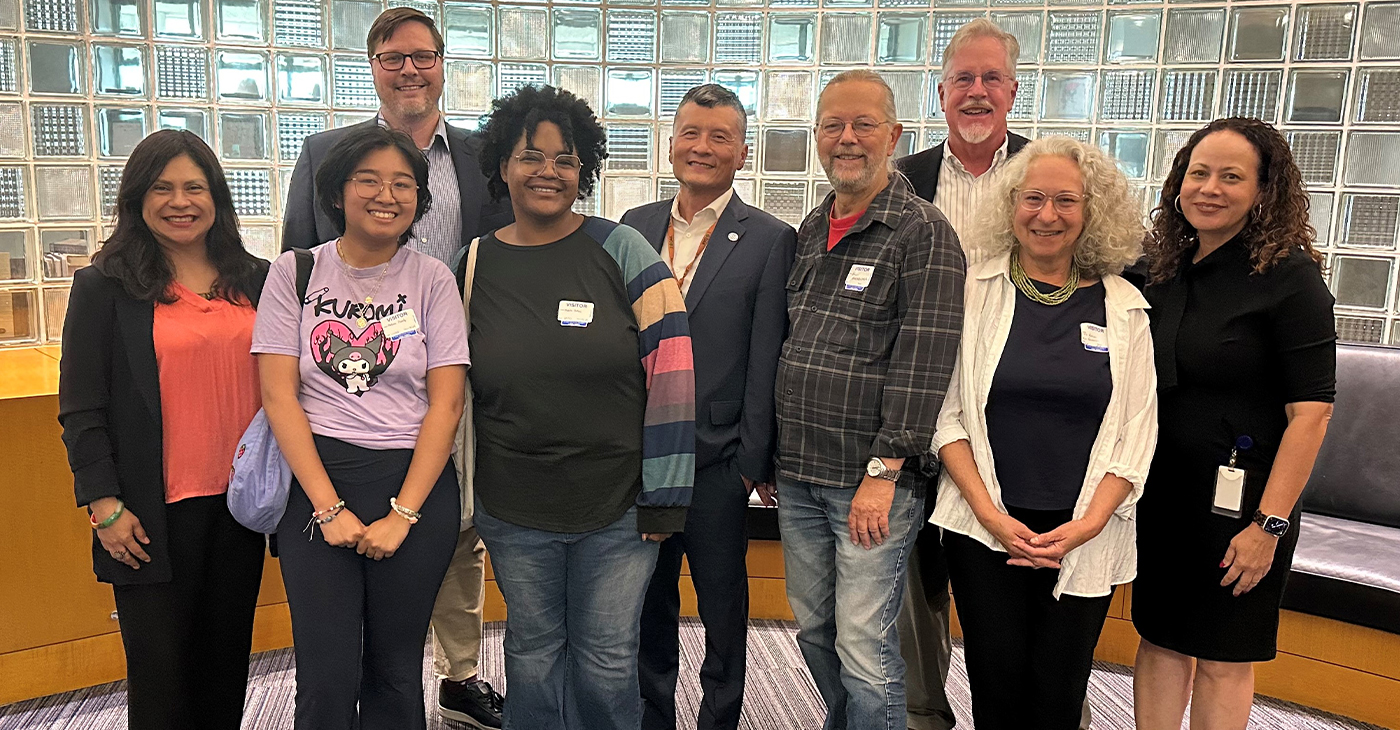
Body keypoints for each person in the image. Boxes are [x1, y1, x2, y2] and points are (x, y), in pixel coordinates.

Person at [279, 9, 507, 725]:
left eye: (423, 55)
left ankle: (461, 672)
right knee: (332, 659)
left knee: (460, 532)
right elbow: (296, 261)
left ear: (443, 63)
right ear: (371, 65)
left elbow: (503, 256)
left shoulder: (481, 155)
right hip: (345, 388)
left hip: (455, 378)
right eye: (391, 56)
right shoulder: (324, 152)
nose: (409, 69)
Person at [466, 85, 695, 730]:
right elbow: (448, 387)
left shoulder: (624, 251)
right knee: (532, 656)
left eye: (564, 159)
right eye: (530, 156)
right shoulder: (474, 264)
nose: (548, 171)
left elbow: (674, 372)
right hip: (512, 504)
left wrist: (666, 495)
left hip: (618, 509)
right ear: (503, 166)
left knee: (606, 660)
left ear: (584, 169)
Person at [929, 137, 1156, 730]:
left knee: (1058, 696)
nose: (1047, 215)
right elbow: (946, 417)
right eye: (1033, 198)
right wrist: (992, 517)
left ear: (1092, 211)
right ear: (1010, 206)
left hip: (1084, 533)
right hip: (983, 530)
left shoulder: (1126, 308)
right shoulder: (972, 293)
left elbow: (1137, 435)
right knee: (996, 693)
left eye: (1065, 201)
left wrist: (1085, 526)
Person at [253, 124, 469, 730]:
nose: (387, 194)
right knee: (325, 673)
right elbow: (279, 396)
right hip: (317, 480)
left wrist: (403, 514)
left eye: (403, 183)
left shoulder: (433, 280)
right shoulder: (293, 273)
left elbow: (445, 406)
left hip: (414, 484)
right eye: (369, 179)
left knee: (395, 671)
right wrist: (327, 508)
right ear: (339, 191)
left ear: (420, 199)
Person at [57, 129, 271, 729]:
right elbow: (81, 408)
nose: (181, 201)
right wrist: (103, 505)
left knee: (226, 663)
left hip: (241, 506)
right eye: (163, 188)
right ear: (138, 199)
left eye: (195, 187)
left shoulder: (256, 279)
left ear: (217, 197)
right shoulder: (104, 287)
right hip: (149, 512)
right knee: (160, 673)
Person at [774, 70, 965, 730]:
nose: (847, 139)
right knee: (817, 634)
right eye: (833, 125)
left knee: (863, 645)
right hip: (798, 475)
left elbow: (926, 361)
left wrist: (885, 474)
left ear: (894, 135)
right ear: (817, 137)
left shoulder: (923, 232)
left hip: (870, 482)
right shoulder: (812, 225)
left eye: (863, 125)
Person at [1132, 118, 1337, 730]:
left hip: (1247, 506)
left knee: (1223, 655)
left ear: (1263, 191)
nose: (1209, 188)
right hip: (1163, 495)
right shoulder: (1164, 269)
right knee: (1161, 639)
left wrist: (1268, 526)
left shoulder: (1291, 280)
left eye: (1231, 176)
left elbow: (1312, 414)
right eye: (1198, 172)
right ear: (1178, 183)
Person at [620, 84, 796, 730]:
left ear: (742, 152)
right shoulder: (633, 226)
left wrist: (751, 463)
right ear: (671, 144)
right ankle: (652, 718)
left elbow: (765, 355)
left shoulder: (770, 238)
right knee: (649, 610)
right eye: (691, 133)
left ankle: (720, 719)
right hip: (641, 464)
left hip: (719, 468)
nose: (702, 147)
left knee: (724, 615)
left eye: (719, 136)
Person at [892, 19, 1029, 729]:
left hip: (1015, 420)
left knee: (1008, 590)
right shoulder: (900, 182)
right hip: (916, 413)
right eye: (963, 80)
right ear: (940, 93)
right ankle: (924, 717)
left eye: (991, 79)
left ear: (1013, 90)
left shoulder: (1051, 175)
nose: (977, 92)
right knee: (918, 591)